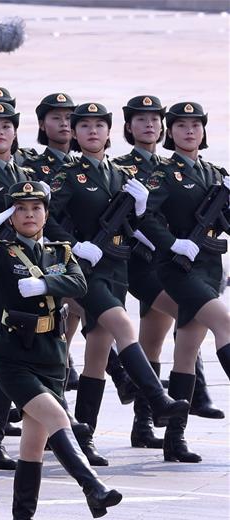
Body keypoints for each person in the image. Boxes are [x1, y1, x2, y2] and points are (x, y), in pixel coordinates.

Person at [0, 181, 123, 520]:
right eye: (20, 209)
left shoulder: (60, 251)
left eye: (35, 208)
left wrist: (44, 282)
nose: (29, 215)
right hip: (13, 352)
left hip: (51, 354)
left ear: (46, 213)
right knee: (57, 417)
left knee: (32, 447)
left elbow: (79, 283)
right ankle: (91, 485)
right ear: (11, 216)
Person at [47, 102, 192, 465]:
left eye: (99, 126)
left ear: (110, 133)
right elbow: (42, 217)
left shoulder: (121, 176)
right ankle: (157, 399)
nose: (92, 132)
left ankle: (86, 436)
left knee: (97, 353)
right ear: (76, 134)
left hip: (117, 269)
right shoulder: (67, 174)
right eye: (84, 127)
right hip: (85, 271)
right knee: (123, 325)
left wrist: (141, 210)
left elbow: (140, 225)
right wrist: (72, 244)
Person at [138, 101, 230, 461]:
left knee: (187, 351)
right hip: (177, 269)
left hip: (209, 266)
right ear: (169, 132)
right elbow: (144, 217)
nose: (189, 132)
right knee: (224, 322)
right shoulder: (163, 173)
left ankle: (174, 441)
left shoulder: (214, 173)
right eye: (181, 126)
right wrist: (171, 242)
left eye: (196, 126)